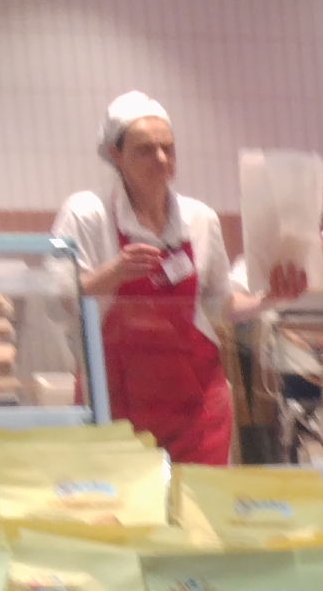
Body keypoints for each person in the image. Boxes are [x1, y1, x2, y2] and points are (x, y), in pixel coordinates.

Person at [51, 91, 303, 464]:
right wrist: (113, 273)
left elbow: (219, 304)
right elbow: (57, 299)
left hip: (196, 412)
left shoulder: (200, 219)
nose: (161, 158)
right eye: (145, 150)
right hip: (114, 407)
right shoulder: (87, 214)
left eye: (168, 148)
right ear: (115, 154)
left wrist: (270, 299)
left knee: (198, 502)